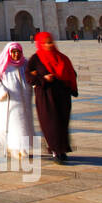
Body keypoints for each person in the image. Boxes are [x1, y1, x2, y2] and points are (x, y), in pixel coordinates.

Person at [27, 31, 78, 164]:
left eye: (50, 42)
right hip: (45, 98)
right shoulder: (36, 58)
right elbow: (28, 76)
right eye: (45, 42)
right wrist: (43, 78)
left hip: (62, 96)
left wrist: (66, 80)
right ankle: (55, 151)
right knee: (51, 124)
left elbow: (72, 73)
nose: (49, 45)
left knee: (62, 123)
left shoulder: (62, 57)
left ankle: (62, 150)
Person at [0, 42, 34, 164]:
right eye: (13, 52)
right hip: (9, 102)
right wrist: (1, 92)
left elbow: (31, 77)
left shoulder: (25, 64)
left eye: (18, 52)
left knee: (25, 125)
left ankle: (23, 147)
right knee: (13, 125)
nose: (16, 54)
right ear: (9, 53)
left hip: (24, 101)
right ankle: (14, 147)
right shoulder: (2, 65)